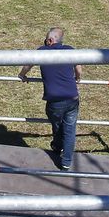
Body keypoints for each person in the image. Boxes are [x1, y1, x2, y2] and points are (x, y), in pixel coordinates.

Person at [18, 27, 82, 171]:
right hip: (73, 98)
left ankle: (57, 145)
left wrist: (22, 75)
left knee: (58, 126)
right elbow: (79, 65)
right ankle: (66, 161)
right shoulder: (70, 50)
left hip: (55, 100)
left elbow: (28, 63)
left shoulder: (42, 51)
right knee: (70, 130)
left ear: (50, 40)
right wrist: (78, 77)